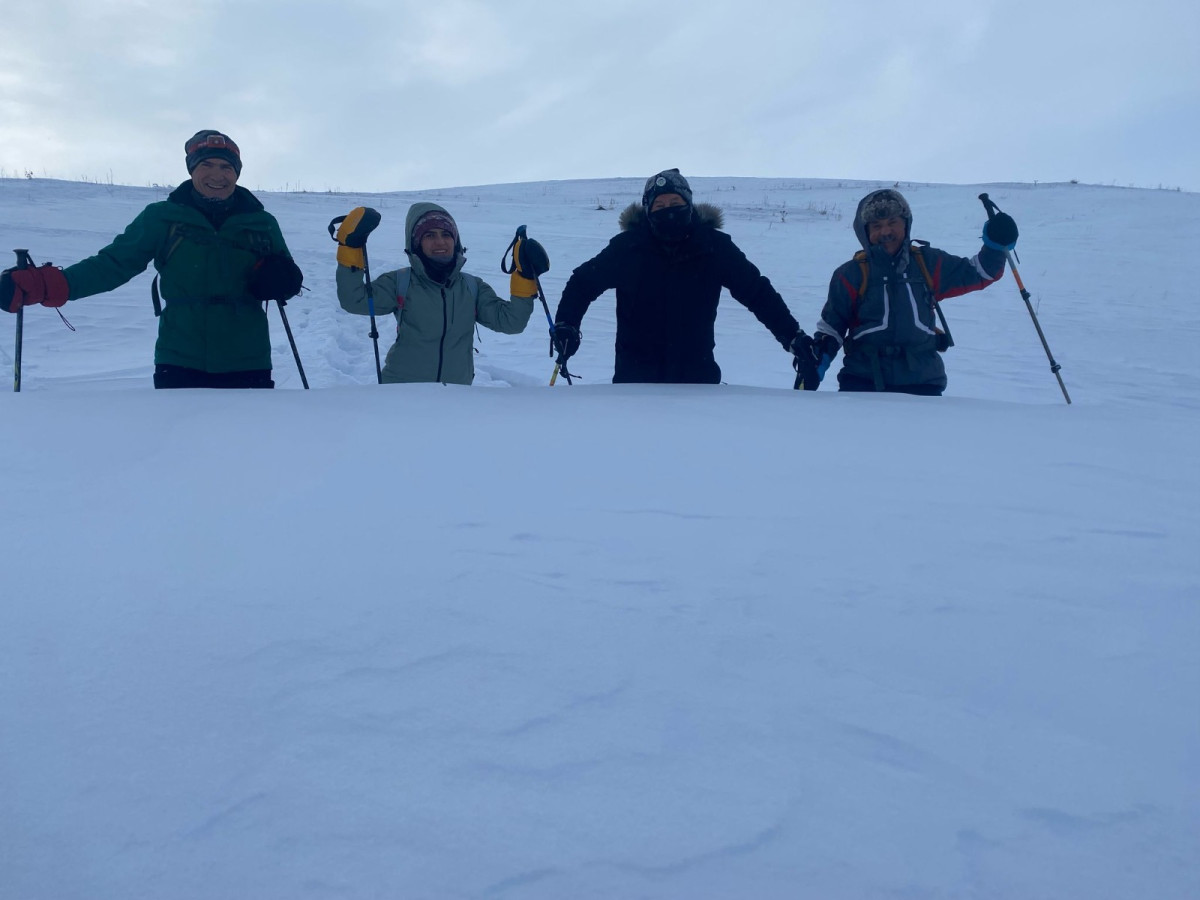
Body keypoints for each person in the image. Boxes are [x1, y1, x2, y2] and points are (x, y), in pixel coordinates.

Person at [0, 129, 304, 389]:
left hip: (248, 358)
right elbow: (114, 264)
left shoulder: (261, 222)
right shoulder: (162, 218)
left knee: (248, 449)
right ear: (192, 169)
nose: (217, 175)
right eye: (207, 164)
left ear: (236, 173)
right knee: (176, 448)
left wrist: (284, 279)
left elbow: (288, 277)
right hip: (181, 357)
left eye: (226, 167)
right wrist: (49, 285)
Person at [550, 168, 814, 384]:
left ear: (688, 203)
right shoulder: (629, 247)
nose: (668, 209)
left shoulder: (713, 247)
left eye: (675, 202)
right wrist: (567, 325)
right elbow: (582, 283)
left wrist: (792, 336)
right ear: (647, 211)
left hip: (697, 383)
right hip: (634, 385)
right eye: (659, 205)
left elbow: (757, 292)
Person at [804, 188, 1018, 396]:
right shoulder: (850, 274)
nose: (885, 232)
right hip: (862, 384)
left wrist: (996, 245)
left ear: (906, 225)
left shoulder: (927, 263)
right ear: (865, 232)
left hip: (923, 384)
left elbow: (979, 272)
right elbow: (831, 329)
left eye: (893, 223)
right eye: (876, 225)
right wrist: (814, 366)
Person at [333, 202, 536, 384]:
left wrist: (524, 278)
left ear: (455, 241)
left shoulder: (472, 287)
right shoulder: (400, 282)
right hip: (401, 392)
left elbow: (512, 322)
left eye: (446, 234)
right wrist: (350, 248)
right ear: (415, 243)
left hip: (456, 394)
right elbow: (354, 300)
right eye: (429, 235)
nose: (440, 242)